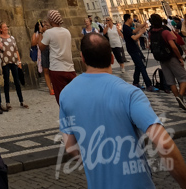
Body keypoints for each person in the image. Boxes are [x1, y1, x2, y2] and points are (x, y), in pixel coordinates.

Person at [59, 32, 186, 187]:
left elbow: (70, 146)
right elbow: (164, 144)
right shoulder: (129, 93)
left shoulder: (66, 94)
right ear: (112, 58)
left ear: (82, 58)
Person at [148, 13, 186, 109]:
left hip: (161, 60)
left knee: (171, 82)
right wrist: (180, 58)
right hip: (171, 58)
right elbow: (173, 46)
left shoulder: (151, 33)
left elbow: (150, 46)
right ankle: (180, 96)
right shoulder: (165, 32)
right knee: (183, 78)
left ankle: (178, 99)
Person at [40, 10, 76, 103]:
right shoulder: (67, 31)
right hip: (70, 68)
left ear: (51, 20)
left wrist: (41, 33)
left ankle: (67, 116)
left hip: (57, 69)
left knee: (61, 98)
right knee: (74, 96)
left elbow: (41, 47)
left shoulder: (49, 33)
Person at [122, 13, 157, 91]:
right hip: (132, 49)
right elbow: (134, 37)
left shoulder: (127, 27)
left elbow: (134, 31)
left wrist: (142, 25)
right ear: (128, 19)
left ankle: (135, 82)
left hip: (134, 48)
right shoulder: (126, 28)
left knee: (138, 66)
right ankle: (149, 85)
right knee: (141, 66)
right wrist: (141, 33)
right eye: (131, 19)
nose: (132, 20)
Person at [0, 22, 27, 109]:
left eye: (6, 26)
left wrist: (19, 62)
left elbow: (16, 50)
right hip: (5, 63)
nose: (6, 28)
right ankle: (7, 102)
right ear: (1, 29)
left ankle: (21, 101)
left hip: (13, 61)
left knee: (17, 81)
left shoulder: (12, 38)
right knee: (6, 82)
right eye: (4, 27)